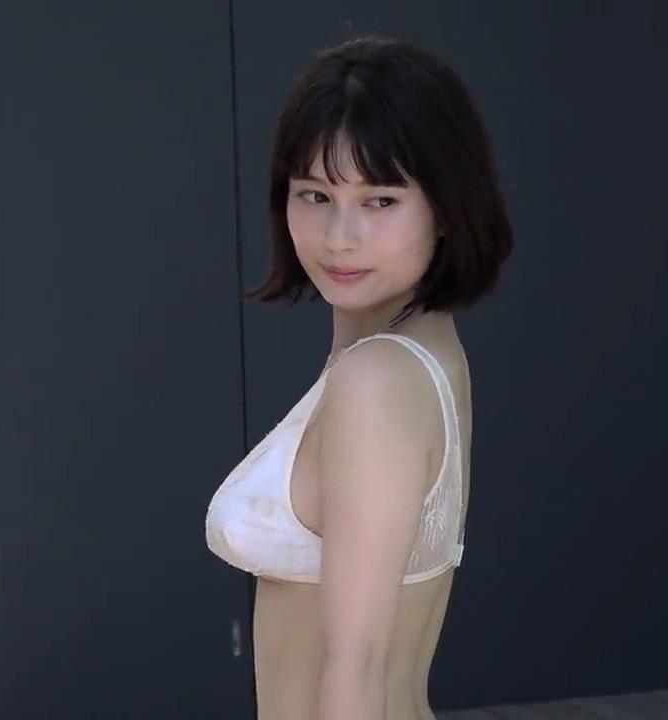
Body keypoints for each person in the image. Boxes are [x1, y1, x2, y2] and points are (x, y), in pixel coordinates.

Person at [206, 34, 512, 720]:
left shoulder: (376, 380)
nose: (340, 236)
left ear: (446, 208)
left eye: (380, 201)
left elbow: (357, 666)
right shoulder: (421, 351)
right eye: (315, 194)